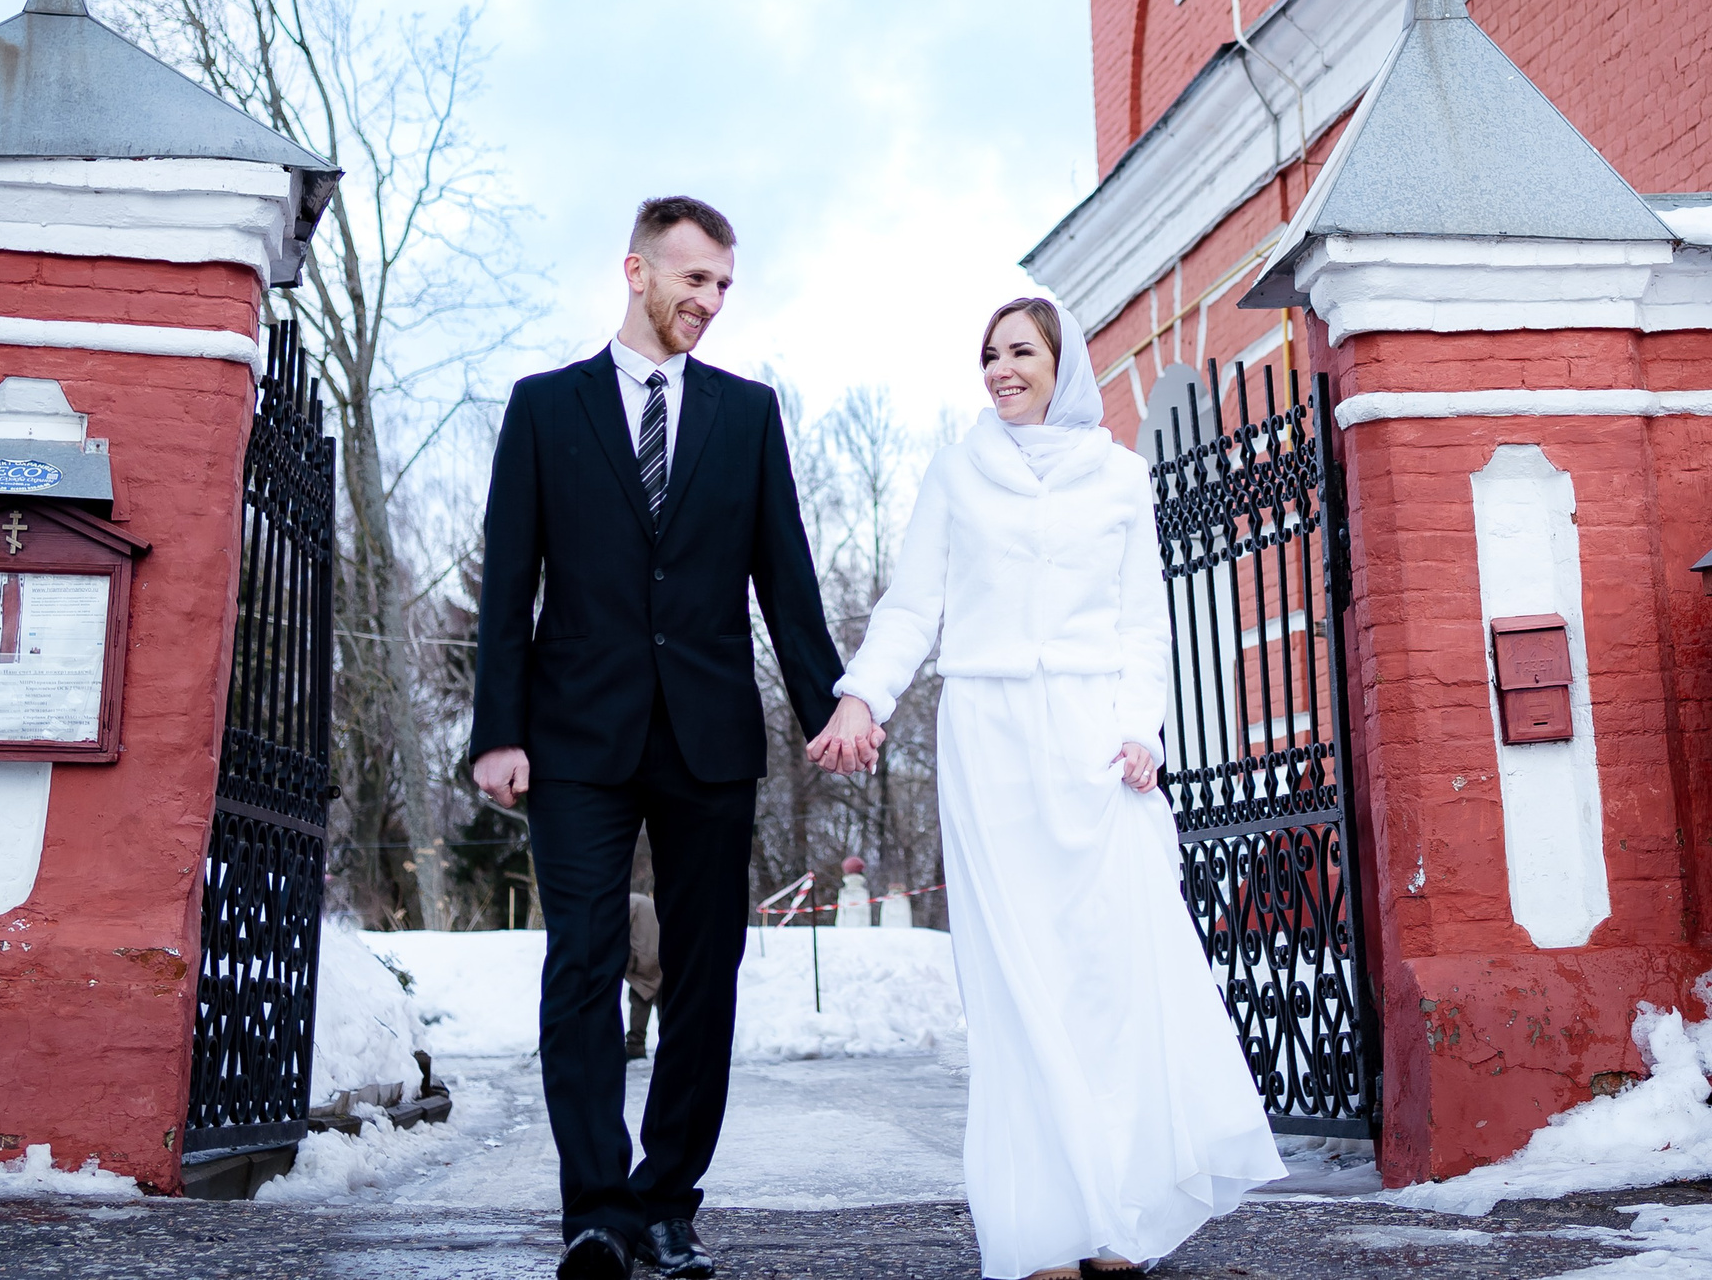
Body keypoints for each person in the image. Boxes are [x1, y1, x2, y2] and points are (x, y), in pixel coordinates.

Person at [806, 296, 1284, 1280]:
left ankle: (1115, 1223)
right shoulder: (957, 470)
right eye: (987, 354)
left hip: (1091, 749)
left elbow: (1143, 624)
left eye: (1019, 352)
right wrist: (863, 697)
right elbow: (912, 604)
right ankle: (1043, 1233)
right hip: (987, 744)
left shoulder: (1120, 479)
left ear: (1062, 363)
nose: (998, 370)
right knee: (1018, 990)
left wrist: (1139, 728)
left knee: (1104, 986)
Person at [470, 196, 845, 1280]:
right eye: (694, 280)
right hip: (574, 736)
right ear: (634, 270)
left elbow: (788, 579)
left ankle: (669, 1200)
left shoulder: (747, 413)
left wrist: (830, 708)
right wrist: (499, 730)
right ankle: (595, 1209)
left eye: (724, 285)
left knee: (704, 971)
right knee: (581, 964)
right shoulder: (544, 409)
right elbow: (509, 585)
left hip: (708, 737)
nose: (710, 302)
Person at [625, 890, 661, 1061]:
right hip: (662, 953)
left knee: (640, 997)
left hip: (645, 957)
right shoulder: (639, 901)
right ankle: (672, 1045)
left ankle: (635, 1046)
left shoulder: (626, 904)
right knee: (665, 1001)